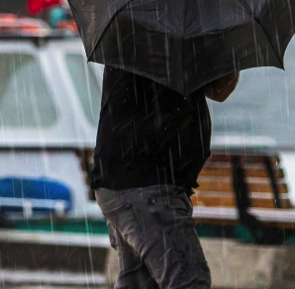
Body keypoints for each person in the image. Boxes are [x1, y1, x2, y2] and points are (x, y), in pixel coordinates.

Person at [92, 67, 240, 289]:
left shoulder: (144, 38)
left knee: (140, 283)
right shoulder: (167, 39)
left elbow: (218, 89)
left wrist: (229, 53)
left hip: (127, 182)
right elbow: (217, 87)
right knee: (189, 281)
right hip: (147, 186)